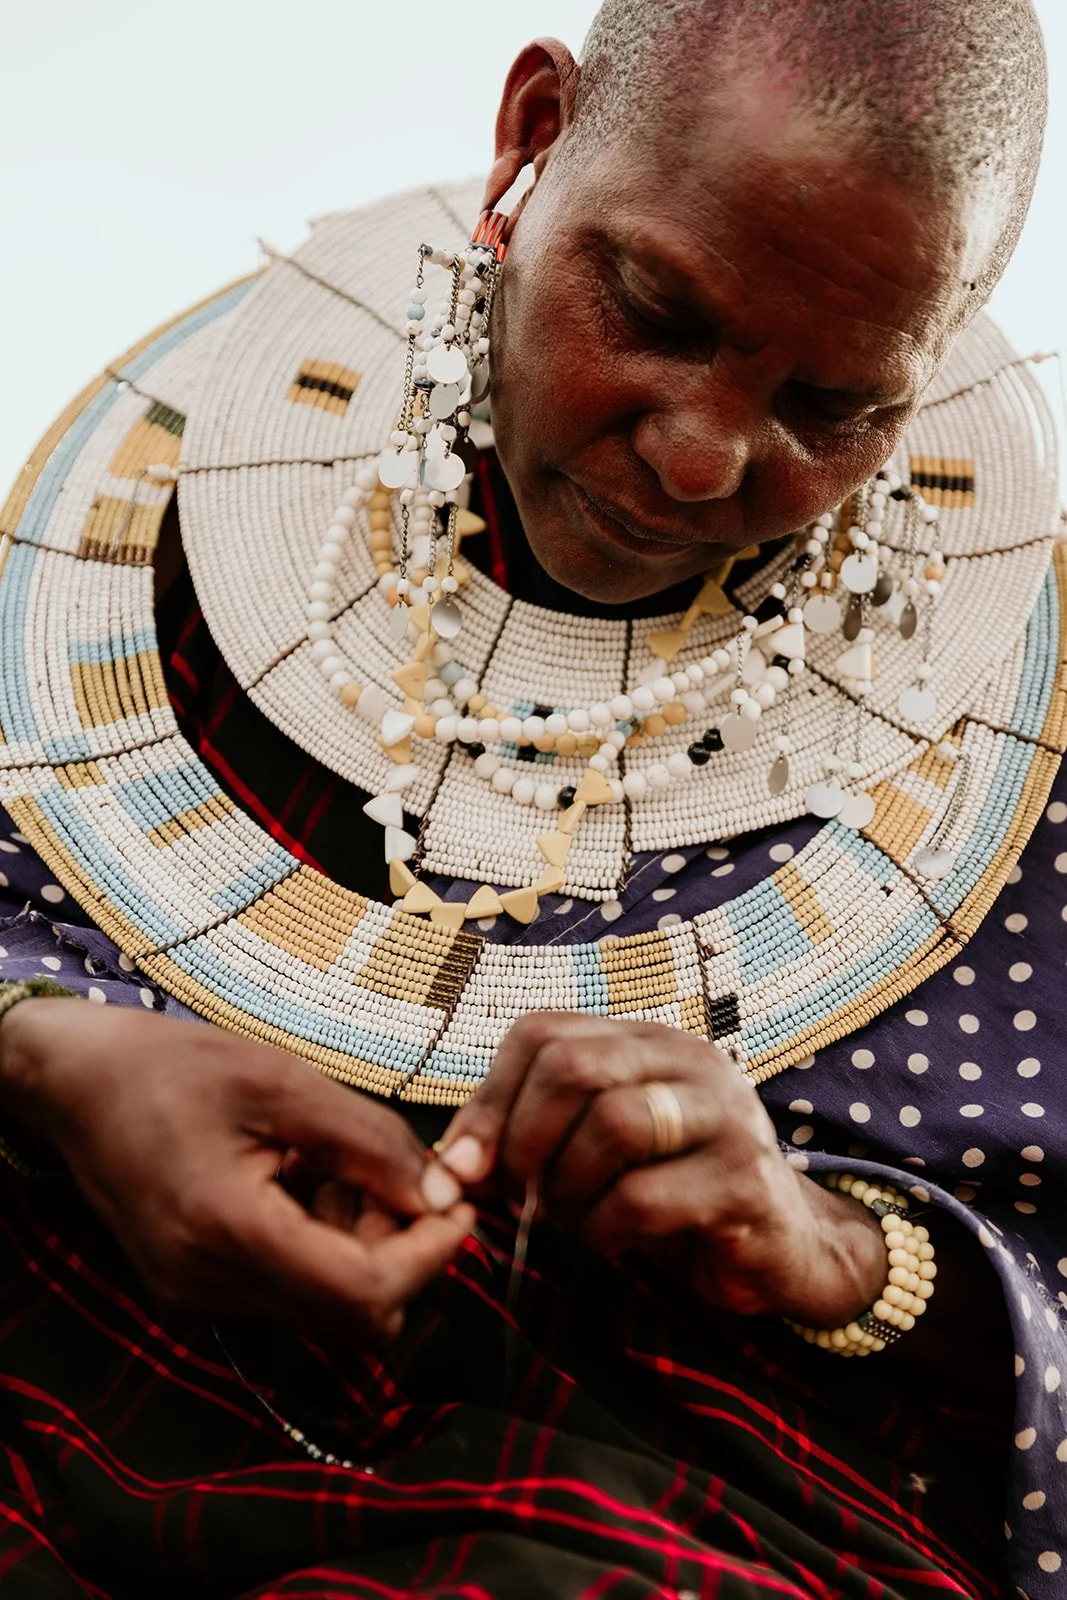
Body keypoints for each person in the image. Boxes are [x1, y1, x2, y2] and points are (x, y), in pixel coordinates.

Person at [0, 1, 1060, 1594]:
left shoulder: (1016, 732)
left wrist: (832, 1256)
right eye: (652, 311)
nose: (701, 458)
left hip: (686, 1531)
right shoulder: (172, 527)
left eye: (833, 411)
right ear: (534, 132)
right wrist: (58, 1059)